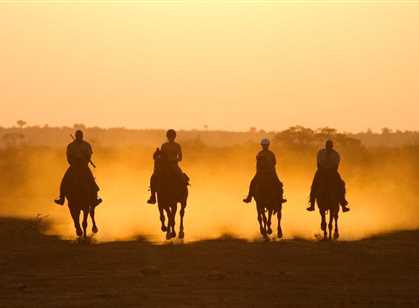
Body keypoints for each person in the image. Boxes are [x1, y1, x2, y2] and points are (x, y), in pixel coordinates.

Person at [54, 130, 102, 206]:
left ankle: (95, 199)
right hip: (74, 166)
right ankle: (61, 198)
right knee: (64, 180)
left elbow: (89, 155)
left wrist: (85, 160)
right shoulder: (71, 145)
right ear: (76, 136)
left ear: (82, 136)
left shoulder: (86, 145)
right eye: (78, 136)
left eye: (80, 136)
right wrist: (73, 162)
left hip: (84, 166)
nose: (79, 137)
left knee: (91, 180)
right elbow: (68, 157)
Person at [307, 139, 349, 212]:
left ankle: (343, 203)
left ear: (332, 146)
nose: (328, 147)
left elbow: (336, 164)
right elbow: (318, 163)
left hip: (332, 172)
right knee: (314, 185)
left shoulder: (335, 154)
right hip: (321, 171)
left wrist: (331, 170)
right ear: (325, 146)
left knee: (341, 184)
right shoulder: (321, 153)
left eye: (330, 146)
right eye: (327, 146)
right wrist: (321, 170)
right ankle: (312, 203)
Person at [147, 129, 188, 204]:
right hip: (164, 165)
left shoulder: (177, 145)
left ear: (174, 137)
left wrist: (173, 160)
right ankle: (153, 196)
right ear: (167, 137)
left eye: (172, 136)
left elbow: (180, 158)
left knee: (181, 177)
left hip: (174, 165)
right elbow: (161, 156)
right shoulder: (164, 145)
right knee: (153, 177)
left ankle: (182, 194)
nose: (170, 138)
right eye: (169, 136)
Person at [243, 138, 286, 204]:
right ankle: (249, 197)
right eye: (264, 145)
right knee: (252, 182)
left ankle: (280, 198)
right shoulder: (262, 154)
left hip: (270, 172)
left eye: (266, 145)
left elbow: (274, 163)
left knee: (279, 184)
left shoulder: (268, 154)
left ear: (268, 145)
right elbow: (274, 162)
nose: (265, 146)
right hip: (264, 172)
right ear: (262, 145)